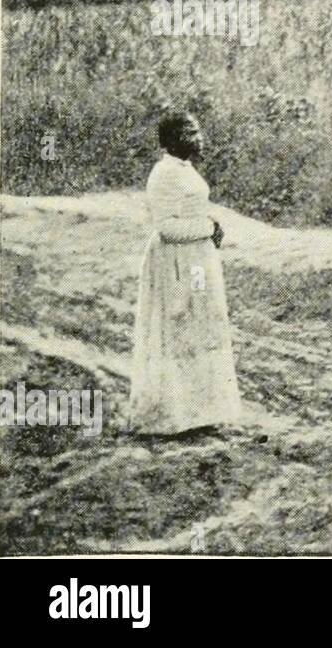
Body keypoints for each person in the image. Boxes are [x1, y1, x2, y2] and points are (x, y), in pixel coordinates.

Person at [129, 111, 241, 438]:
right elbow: (165, 227)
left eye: (198, 130)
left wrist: (212, 225)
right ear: (172, 141)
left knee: (200, 327)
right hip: (175, 261)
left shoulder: (186, 169)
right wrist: (208, 227)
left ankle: (202, 410)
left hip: (198, 260)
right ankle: (173, 414)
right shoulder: (162, 173)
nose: (198, 137)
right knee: (179, 326)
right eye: (190, 132)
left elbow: (191, 210)